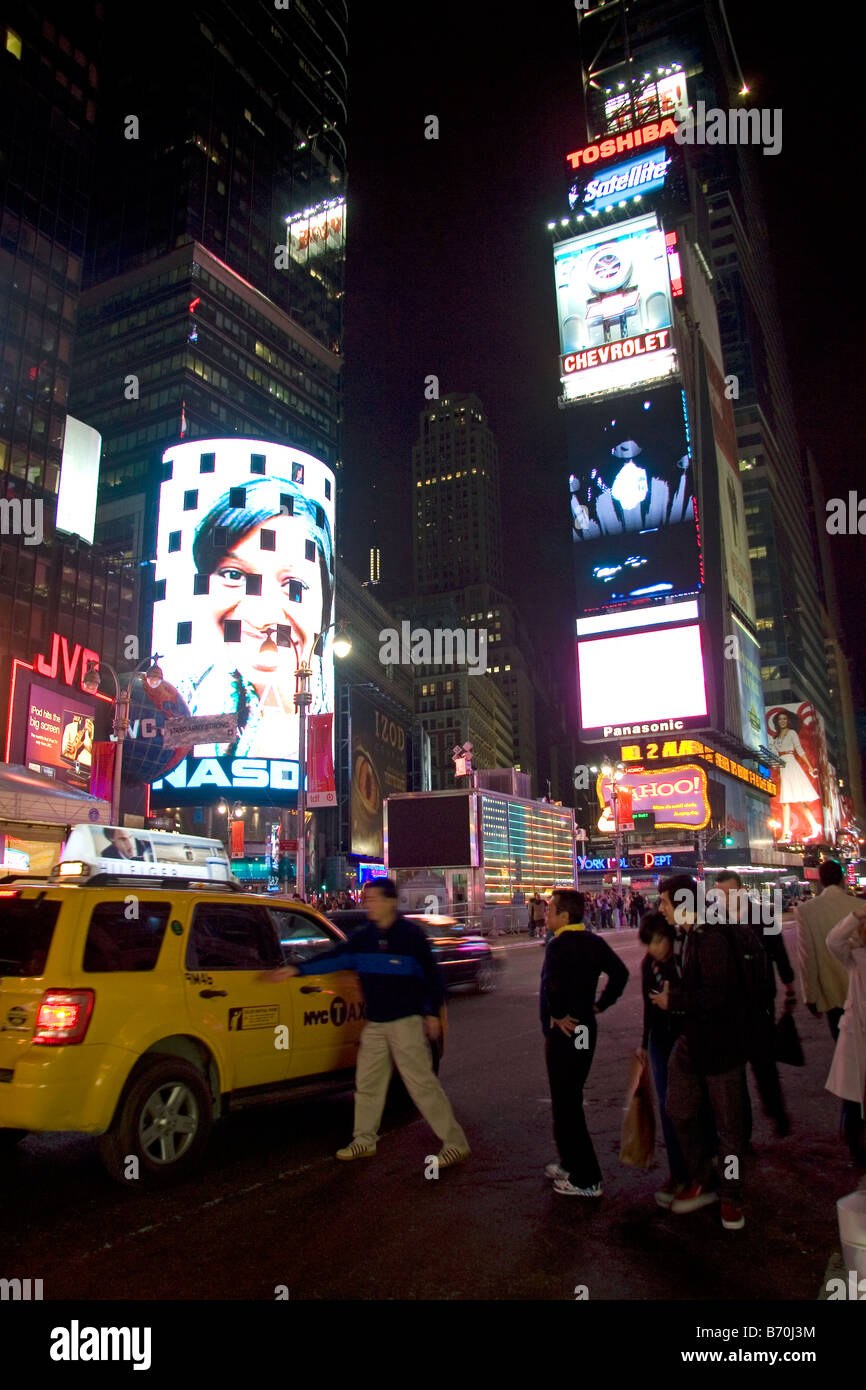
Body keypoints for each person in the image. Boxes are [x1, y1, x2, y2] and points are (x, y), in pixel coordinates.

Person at [265, 878, 470, 1168]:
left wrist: (432, 1012)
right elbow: (334, 959)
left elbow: (432, 978)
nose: (367, 903)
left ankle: (455, 1142)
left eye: (373, 898)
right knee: (368, 1083)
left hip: (406, 1023)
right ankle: (364, 1140)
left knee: (421, 1085)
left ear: (390, 901)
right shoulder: (364, 937)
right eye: (366, 898)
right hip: (375, 1023)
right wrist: (296, 970)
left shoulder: (410, 937)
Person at [176, 474, 334, 762]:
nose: (263, 615)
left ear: (325, 600)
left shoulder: (330, 721)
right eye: (234, 575)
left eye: (294, 586)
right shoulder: (182, 699)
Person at [655, 874, 749, 1231]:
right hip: (692, 1043)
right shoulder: (690, 935)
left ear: (681, 903)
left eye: (664, 902)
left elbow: (718, 995)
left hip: (722, 1046)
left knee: (729, 1127)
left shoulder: (710, 938)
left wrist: (673, 1000)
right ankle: (702, 1176)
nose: (660, 908)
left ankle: (731, 1198)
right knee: (678, 1108)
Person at [540, 888, 629, 1196]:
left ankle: (587, 1176)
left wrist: (559, 1013)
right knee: (569, 1097)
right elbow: (620, 973)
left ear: (566, 916)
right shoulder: (594, 942)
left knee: (566, 1102)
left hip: (566, 1030)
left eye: (551, 909)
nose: (546, 914)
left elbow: (552, 986)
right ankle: (570, 1162)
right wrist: (601, 1004)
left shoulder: (558, 945)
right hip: (584, 1028)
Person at [713, 870, 795, 1139]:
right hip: (728, 1004)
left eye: (728, 892)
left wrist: (789, 984)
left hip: (760, 1000)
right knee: (733, 1072)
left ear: (741, 889)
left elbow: (779, 952)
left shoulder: (762, 915)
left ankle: (778, 1114)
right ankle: (742, 1131)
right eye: (720, 893)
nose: (724, 898)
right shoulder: (715, 919)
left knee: (763, 1063)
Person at [636, 911, 689, 1207]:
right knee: (668, 1107)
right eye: (649, 943)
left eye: (657, 941)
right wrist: (644, 1043)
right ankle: (678, 1172)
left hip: (684, 1040)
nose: (654, 948)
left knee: (689, 1107)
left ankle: (699, 1170)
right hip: (659, 1041)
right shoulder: (649, 965)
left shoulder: (684, 960)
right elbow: (648, 1005)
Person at [825, 901, 866, 1166]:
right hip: (857, 1034)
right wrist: (857, 915)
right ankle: (857, 1150)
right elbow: (834, 940)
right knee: (854, 1099)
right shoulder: (856, 955)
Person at [795, 860, 854, 1041]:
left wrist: (810, 996)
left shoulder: (806, 910)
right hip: (860, 988)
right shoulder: (859, 907)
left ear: (820, 881)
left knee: (843, 1051)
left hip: (832, 992)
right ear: (843, 879)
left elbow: (808, 958)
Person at [767, 709, 822, 843]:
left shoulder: (792, 733)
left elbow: (800, 750)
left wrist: (809, 766)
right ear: (777, 722)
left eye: (784, 719)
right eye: (780, 719)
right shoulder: (775, 737)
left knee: (795, 800)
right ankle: (792, 831)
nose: (782, 721)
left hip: (791, 765)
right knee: (787, 801)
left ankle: (792, 832)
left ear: (788, 721)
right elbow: (774, 753)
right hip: (783, 766)